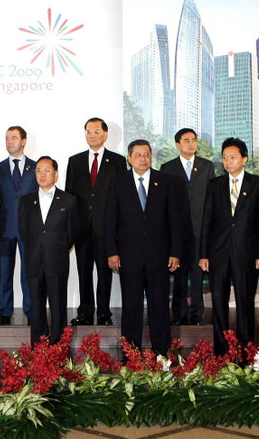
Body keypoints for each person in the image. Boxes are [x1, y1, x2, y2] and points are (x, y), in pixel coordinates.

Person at [104, 140, 184, 355]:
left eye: (147, 154)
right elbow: (110, 220)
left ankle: (162, 355)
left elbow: (175, 220)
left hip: (159, 257)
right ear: (129, 158)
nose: (143, 159)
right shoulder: (118, 182)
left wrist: (176, 252)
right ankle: (131, 356)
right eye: (138, 155)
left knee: (159, 309)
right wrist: (112, 251)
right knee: (131, 309)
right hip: (129, 257)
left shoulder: (165, 181)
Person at [199, 138, 259, 355]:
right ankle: (221, 351)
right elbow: (207, 221)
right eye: (225, 157)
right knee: (218, 304)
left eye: (233, 157)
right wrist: (203, 255)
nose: (228, 162)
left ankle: (245, 350)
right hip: (218, 254)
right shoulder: (215, 185)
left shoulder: (257, 184)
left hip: (246, 254)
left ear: (244, 159)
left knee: (244, 303)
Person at [66, 117, 127, 326]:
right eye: (88, 131)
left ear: (105, 134)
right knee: (83, 272)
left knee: (104, 273)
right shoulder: (75, 161)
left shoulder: (118, 162)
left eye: (96, 131)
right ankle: (84, 311)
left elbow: (122, 197)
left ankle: (103, 313)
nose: (92, 135)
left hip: (106, 227)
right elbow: (69, 196)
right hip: (82, 228)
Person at [17, 156, 79, 344]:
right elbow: (23, 231)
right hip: (34, 260)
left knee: (58, 305)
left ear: (56, 173)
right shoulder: (26, 201)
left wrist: (56, 248)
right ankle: (38, 349)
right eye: (39, 170)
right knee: (36, 307)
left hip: (57, 260)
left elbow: (73, 232)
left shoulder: (68, 200)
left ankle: (58, 348)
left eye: (47, 170)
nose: (42, 174)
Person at [160, 128, 216, 325]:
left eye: (193, 140)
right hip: (177, 231)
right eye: (186, 140)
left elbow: (211, 200)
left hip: (201, 230)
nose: (191, 144)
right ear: (177, 144)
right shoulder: (167, 168)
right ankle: (179, 314)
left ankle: (196, 313)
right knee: (179, 275)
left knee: (198, 274)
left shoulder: (207, 166)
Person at [0, 126, 37, 326]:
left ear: (24, 141)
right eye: (7, 138)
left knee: (29, 273)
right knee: (5, 272)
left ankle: (31, 311)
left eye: (14, 138)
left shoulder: (35, 167)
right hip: (5, 229)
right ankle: (4, 312)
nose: (10, 142)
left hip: (29, 230)